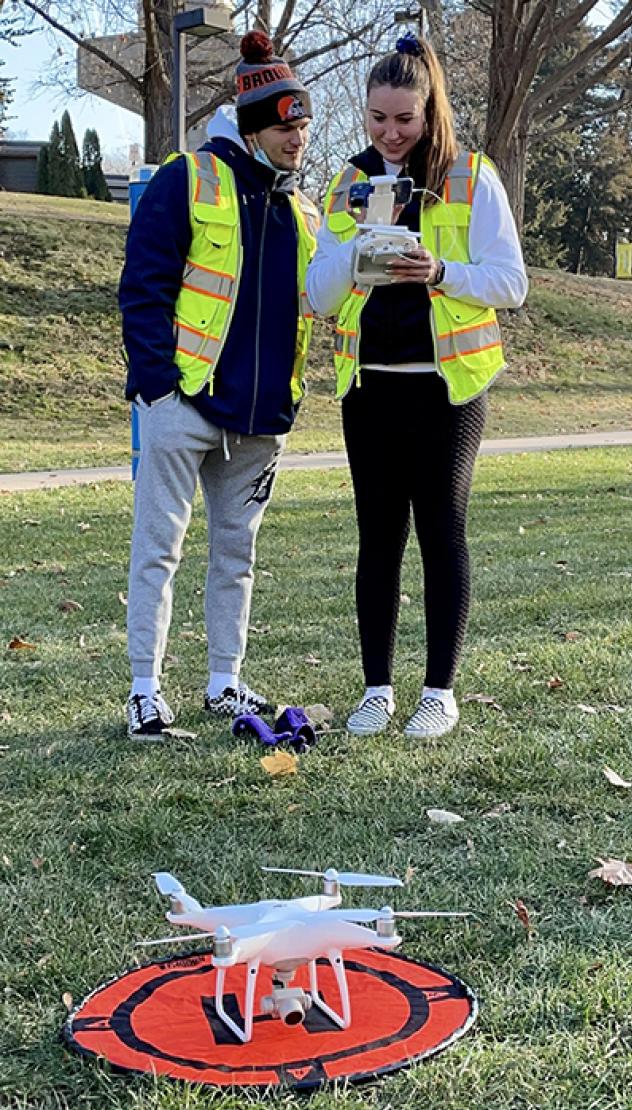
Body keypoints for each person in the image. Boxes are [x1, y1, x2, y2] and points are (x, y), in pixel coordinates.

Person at [306, 32, 527, 740]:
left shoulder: (471, 175)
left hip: (447, 389)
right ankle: (376, 690)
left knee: (441, 530)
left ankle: (439, 692)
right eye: (377, 118)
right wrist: (356, 250)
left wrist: (439, 273)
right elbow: (317, 295)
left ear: (431, 112)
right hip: (368, 387)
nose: (390, 133)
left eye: (404, 119)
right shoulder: (348, 181)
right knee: (378, 537)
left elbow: (511, 283)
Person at [119, 31, 319, 739]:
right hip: (183, 407)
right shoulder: (188, 178)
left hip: (261, 420)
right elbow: (142, 288)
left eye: (303, 125)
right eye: (286, 126)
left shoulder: (302, 210)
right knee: (158, 549)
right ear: (253, 124)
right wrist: (157, 390)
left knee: (237, 556)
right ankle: (145, 689)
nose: (298, 138)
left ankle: (224, 681)